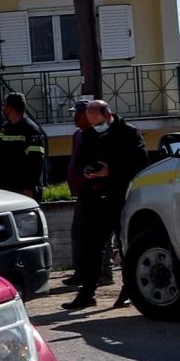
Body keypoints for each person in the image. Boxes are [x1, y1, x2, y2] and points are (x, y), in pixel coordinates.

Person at [65, 96, 146, 309]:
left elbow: (139, 162)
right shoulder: (90, 134)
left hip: (120, 196)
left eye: (99, 123)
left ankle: (128, 290)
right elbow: (81, 158)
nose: (95, 127)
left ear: (108, 115)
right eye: (92, 124)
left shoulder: (128, 133)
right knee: (92, 247)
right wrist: (87, 170)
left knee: (124, 245)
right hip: (95, 197)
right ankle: (87, 293)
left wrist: (110, 171)